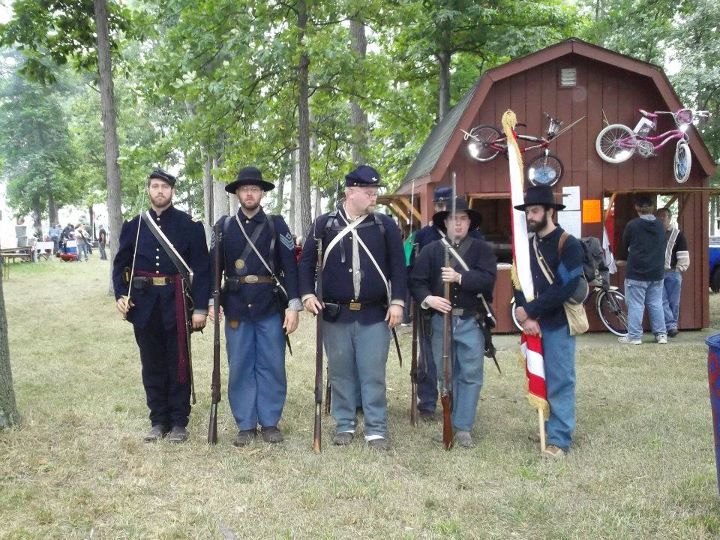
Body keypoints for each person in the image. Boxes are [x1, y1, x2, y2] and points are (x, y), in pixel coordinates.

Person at [299, 165, 407, 451]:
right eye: (368, 192)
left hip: (374, 313)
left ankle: (376, 428)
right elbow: (306, 263)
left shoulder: (385, 226)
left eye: (375, 192)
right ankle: (344, 424)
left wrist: (397, 301)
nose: (374, 197)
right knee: (340, 372)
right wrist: (307, 294)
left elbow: (398, 267)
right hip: (336, 314)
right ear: (350, 192)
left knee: (373, 373)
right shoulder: (324, 224)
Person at [113, 169, 210, 443]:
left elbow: (202, 269)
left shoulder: (189, 225)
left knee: (178, 362)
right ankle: (158, 421)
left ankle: (179, 421)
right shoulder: (134, 225)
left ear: (172, 191)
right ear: (148, 190)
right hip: (143, 305)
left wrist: (200, 309)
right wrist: (121, 294)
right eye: (155, 186)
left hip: (176, 302)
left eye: (164, 187)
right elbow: (121, 265)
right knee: (152, 363)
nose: (159, 191)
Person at [210, 166, 301, 447]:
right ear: (237, 193)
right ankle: (246, 424)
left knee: (272, 364)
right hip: (236, 305)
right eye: (244, 189)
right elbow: (213, 268)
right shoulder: (223, 227)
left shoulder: (277, 225)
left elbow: (290, 267)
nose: (249, 193)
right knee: (240, 365)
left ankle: (270, 422)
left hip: (269, 304)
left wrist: (293, 305)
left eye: (254, 189)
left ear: (262, 193)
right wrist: (213, 300)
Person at [409, 197, 496, 447]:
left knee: (471, 373)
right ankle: (451, 417)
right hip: (441, 320)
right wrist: (429, 299)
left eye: (462, 219)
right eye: (453, 219)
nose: (458, 223)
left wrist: (460, 278)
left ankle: (463, 426)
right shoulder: (431, 250)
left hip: (471, 319)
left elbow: (488, 280)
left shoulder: (481, 250)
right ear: (445, 223)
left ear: (469, 223)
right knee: (445, 374)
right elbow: (416, 281)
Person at [512, 185, 584, 458]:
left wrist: (531, 311)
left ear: (550, 212)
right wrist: (525, 314)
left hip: (558, 322)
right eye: (528, 212)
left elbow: (564, 287)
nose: (530, 216)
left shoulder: (569, 244)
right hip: (534, 322)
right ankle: (548, 426)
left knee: (560, 380)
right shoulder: (526, 246)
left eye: (535, 211)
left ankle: (559, 437)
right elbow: (518, 281)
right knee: (540, 377)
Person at [619, 194, 667, 345]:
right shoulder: (660, 225)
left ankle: (634, 336)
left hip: (637, 272)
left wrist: (622, 259)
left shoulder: (632, 225)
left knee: (636, 304)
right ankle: (661, 335)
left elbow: (624, 245)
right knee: (656, 303)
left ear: (636, 208)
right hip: (657, 272)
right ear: (652, 208)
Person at [656, 207, 689, 338]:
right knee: (661, 300)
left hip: (673, 272)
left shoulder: (678, 234)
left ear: (669, 218)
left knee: (674, 302)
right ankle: (671, 326)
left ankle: (671, 326)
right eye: (659, 216)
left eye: (664, 216)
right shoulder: (654, 233)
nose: (661, 218)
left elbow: (683, 253)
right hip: (658, 273)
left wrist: (680, 268)